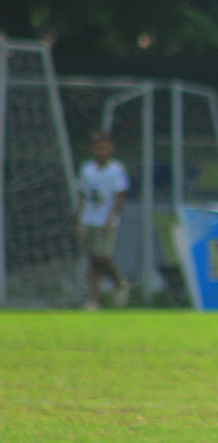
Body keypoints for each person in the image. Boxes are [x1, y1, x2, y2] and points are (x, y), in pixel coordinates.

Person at [75, 131, 130, 310]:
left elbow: (119, 196)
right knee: (92, 260)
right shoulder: (86, 169)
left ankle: (119, 283)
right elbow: (82, 196)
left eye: (105, 147)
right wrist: (77, 220)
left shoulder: (116, 170)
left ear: (111, 149)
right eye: (98, 147)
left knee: (102, 256)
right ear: (93, 149)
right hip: (88, 219)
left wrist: (110, 218)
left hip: (106, 221)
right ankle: (95, 300)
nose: (101, 151)